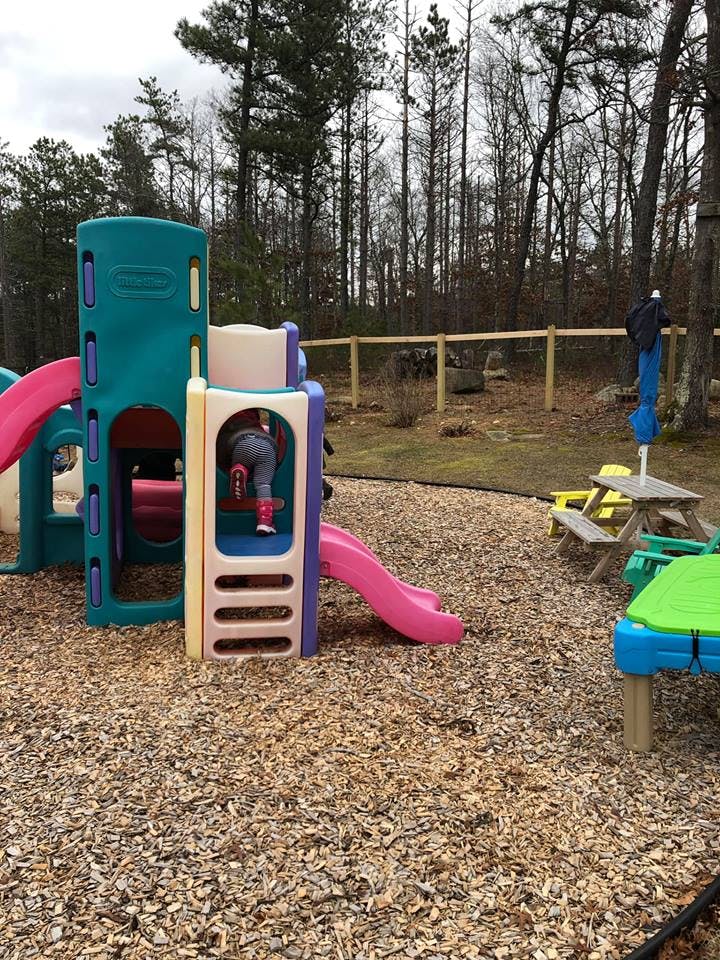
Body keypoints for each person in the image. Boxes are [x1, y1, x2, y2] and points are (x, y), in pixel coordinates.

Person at [217, 410, 277, 535]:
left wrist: (225, 467)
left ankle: (240, 468)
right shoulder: (254, 421)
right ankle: (265, 523)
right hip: (267, 446)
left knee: (239, 461)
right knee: (263, 484)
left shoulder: (224, 425)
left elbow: (221, 454)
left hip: (241, 443)